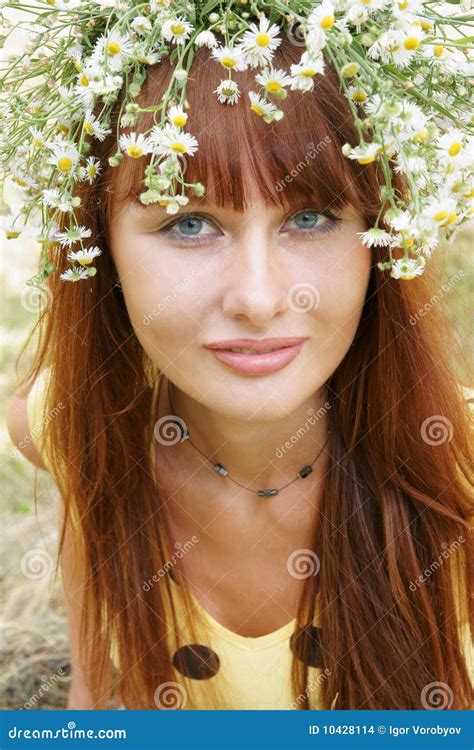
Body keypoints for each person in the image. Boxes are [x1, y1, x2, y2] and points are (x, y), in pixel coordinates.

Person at [5, 8, 473, 711]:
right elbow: (97, 706)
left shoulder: (459, 469)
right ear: (99, 249)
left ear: (382, 238)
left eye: (310, 217)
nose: (258, 298)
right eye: (189, 223)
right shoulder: (74, 428)